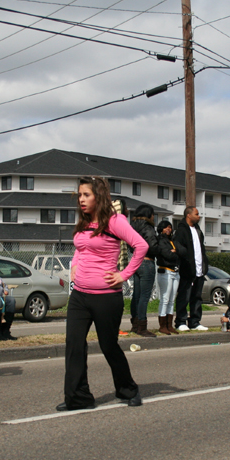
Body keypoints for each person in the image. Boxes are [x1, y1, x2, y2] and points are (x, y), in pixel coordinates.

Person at [58, 176, 148, 411]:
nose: (81, 200)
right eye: (79, 195)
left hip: (106, 296)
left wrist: (123, 275)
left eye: (86, 195)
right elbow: (81, 247)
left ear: (99, 196)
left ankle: (128, 389)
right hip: (79, 296)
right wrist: (74, 264)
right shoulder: (84, 222)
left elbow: (141, 246)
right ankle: (78, 398)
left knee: (108, 346)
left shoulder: (114, 221)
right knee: (74, 345)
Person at [174, 206, 209, 332]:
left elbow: (201, 249)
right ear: (188, 215)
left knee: (197, 297)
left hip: (199, 270)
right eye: (197, 214)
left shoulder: (198, 230)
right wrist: (186, 258)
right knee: (184, 296)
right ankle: (180, 321)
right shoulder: (181, 230)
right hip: (187, 270)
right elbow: (178, 247)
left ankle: (195, 321)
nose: (199, 216)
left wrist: (205, 264)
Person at [129, 204, 160, 337]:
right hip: (147, 261)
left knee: (136, 295)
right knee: (144, 296)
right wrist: (160, 248)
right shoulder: (148, 228)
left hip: (135, 261)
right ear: (149, 215)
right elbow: (152, 246)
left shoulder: (133, 227)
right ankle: (142, 326)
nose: (154, 217)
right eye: (153, 215)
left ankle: (135, 324)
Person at [155, 220, 180, 335]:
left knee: (171, 299)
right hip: (165, 271)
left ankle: (169, 325)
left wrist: (176, 251)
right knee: (165, 299)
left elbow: (182, 253)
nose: (168, 229)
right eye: (166, 227)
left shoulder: (172, 240)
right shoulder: (160, 240)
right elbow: (167, 255)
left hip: (176, 272)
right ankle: (162, 325)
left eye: (170, 227)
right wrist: (176, 253)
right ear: (161, 229)